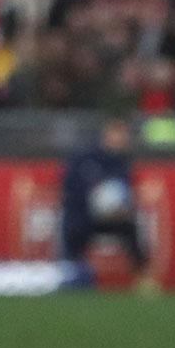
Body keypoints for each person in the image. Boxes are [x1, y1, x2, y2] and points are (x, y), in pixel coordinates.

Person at [59, 115, 150, 278]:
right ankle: (71, 275)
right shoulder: (85, 157)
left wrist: (121, 207)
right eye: (117, 135)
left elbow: (125, 192)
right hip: (83, 216)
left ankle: (143, 277)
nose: (121, 140)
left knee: (131, 227)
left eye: (124, 136)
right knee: (73, 228)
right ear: (106, 135)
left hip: (112, 218)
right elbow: (68, 186)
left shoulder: (122, 163)